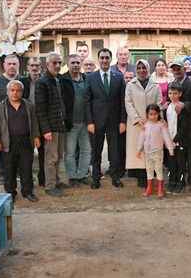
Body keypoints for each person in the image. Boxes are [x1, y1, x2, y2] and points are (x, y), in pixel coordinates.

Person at [0, 80, 40, 202]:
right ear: (7, 92)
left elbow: (34, 122)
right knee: (9, 169)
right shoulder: (0, 107)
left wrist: (36, 136)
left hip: (25, 141)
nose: (15, 93)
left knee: (26, 168)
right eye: (12, 90)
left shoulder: (28, 105)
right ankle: (10, 193)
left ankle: (27, 191)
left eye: (18, 90)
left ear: (22, 92)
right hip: (8, 142)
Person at [86, 48, 127, 189]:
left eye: (107, 58)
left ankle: (115, 177)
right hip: (96, 122)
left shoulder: (118, 77)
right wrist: (90, 122)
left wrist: (123, 121)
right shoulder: (91, 77)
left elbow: (123, 101)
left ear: (111, 59)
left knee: (114, 151)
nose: (104, 60)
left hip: (114, 121)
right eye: (102, 58)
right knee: (96, 151)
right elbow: (87, 101)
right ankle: (95, 178)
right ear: (99, 59)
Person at [35, 52, 74, 197]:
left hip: (60, 125)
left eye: (59, 63)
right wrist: (45, 130)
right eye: (54, 63)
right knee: (51, 158)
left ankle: (56, 181)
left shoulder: (58, 80)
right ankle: (50, 186)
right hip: (50, 128)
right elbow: (40, 108)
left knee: (58, 156)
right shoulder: (42, 82)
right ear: (47, 64)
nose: (57, 65)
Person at [125, 59, 162, 187]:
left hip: (152, 123)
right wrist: (136, 118)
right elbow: (128, 103)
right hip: (137, 124)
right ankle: (141, 178)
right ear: (136, 70)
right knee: (139, 150)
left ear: (148, 69)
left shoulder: (155, 85)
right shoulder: (130, 85)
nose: (141, 70)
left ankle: (152, 177)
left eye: (144, 68)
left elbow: (159, 103)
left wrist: (154, 118)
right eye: (139, 68)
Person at [169, 59, 191, 188]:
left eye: (179, 68)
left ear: (184, 69)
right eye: (174, 69)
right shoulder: (172, 84)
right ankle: (180, 179)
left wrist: (185, 104)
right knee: (179, 156)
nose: (176, 71)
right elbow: (171, 100)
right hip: (177, 127)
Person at [0, 54, 21, 186]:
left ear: (18, 65)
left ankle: (19, 172)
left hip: (19, 121)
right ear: (4, 65)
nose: (12, 66)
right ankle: (3, 175)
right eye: (9, 64)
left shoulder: (22, 80)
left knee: (18, 149)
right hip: (2, 122)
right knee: (2, 150)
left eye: (14, 64)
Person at [63, 54, 91, 187]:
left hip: (85, 122)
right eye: (72, 62)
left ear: (81, 64)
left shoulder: (86, 79)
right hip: (70, 123)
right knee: (70, 152)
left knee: (86, 150)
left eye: (77, 63)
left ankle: (82, 175)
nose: (75, 65)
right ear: (68, 64)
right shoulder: (63, 80)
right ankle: (72, 177)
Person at [137, 104, 174, 197]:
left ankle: (160, 188)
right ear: (147, 115)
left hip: (158, 152)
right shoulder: (145, 126)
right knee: (149, 170)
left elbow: (167, 138)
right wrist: (139, 150)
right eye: (151, 114)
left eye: (155, 114)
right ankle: (149, 188)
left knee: (158, 170)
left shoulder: (161, 125)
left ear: (158, 114)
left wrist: (170, 149)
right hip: (147, 153)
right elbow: (141, 138)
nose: (153, 116)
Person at [20, 57, 46, 187]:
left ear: (41, 67)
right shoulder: (22, 82)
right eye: (32, 66)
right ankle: (27, 181)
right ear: (28, 68)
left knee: (43, 152)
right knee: (27, 154)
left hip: (42, 122)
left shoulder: (45, 81)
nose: (34, 68)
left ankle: (42, 178)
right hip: (26, 123)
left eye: (37, 65)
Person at [165, 83, 187, 194]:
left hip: (179, 140)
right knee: (171, 162)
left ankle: (181, 182)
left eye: (175, 93)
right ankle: (172, 180)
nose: (172, 95)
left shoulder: (181, 107)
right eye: (170, 93)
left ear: (180, 94)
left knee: (180, 162)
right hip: (169, 140)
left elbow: (183, 126)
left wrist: (176, 138)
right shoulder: (168, 107)